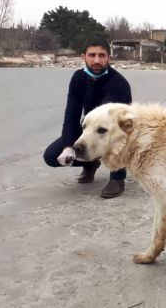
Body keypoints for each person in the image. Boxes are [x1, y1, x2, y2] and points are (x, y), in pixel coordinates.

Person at [42, 37, 132, 198]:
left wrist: (91, 144)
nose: (97, 60)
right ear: (83, 57)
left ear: (108, 58)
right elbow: (72, 113)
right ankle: (91, 164)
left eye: (101, 55)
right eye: (92, 55)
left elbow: (114, 126)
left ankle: (117, 177)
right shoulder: (78, 78)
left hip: (113, 130)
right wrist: (68, 146)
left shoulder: (118, 84)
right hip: (90, 126)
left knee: (115, 137)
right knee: (51, 156)